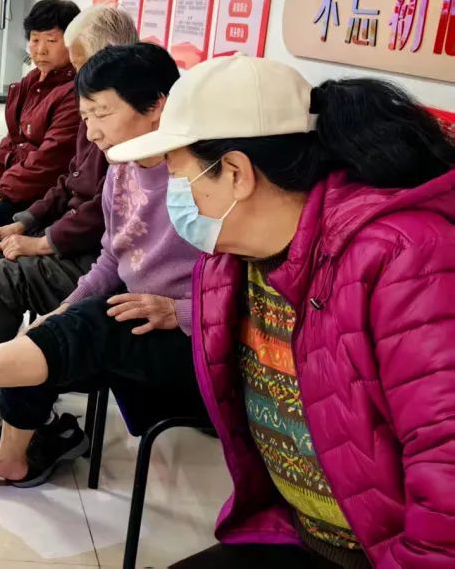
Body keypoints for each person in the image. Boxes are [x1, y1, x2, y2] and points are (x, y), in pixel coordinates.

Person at [104, 56, 455, 569]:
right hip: (300, 532)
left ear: (236, 173)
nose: (176, 196)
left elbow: (446, 466)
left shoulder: (403, 257)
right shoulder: (230, 264)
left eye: (178, 175)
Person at [0, 43, 206, 487]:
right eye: (86, 115)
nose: (92, 131)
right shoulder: (122, 166)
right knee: (45, 332)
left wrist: (180, 312)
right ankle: (8, 448)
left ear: (157, 105)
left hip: (192, 334)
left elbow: (243, 293)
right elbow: (112, 257)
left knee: (69, 327)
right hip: (134, 304)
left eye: (102, 113)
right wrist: (63, 308)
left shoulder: (201, 181)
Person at [0, 0, 82, 321]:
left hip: (43, 191)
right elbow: (13, 138)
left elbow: (50, 160)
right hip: (18, 181)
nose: (40, 49)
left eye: (52, 40)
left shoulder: (72, 92)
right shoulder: (31, 82)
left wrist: (5, 189)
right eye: (35, 40)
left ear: (73, 42)